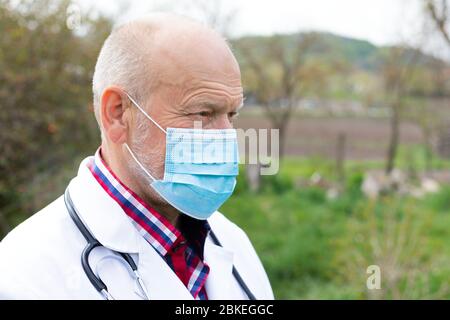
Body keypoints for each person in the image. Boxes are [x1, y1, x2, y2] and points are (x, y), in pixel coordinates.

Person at [0, 13, 273, 300]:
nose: (226, 136)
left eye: (231, 114)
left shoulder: (232, 241)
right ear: (117, 113)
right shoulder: (23, 276)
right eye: (203, 113)